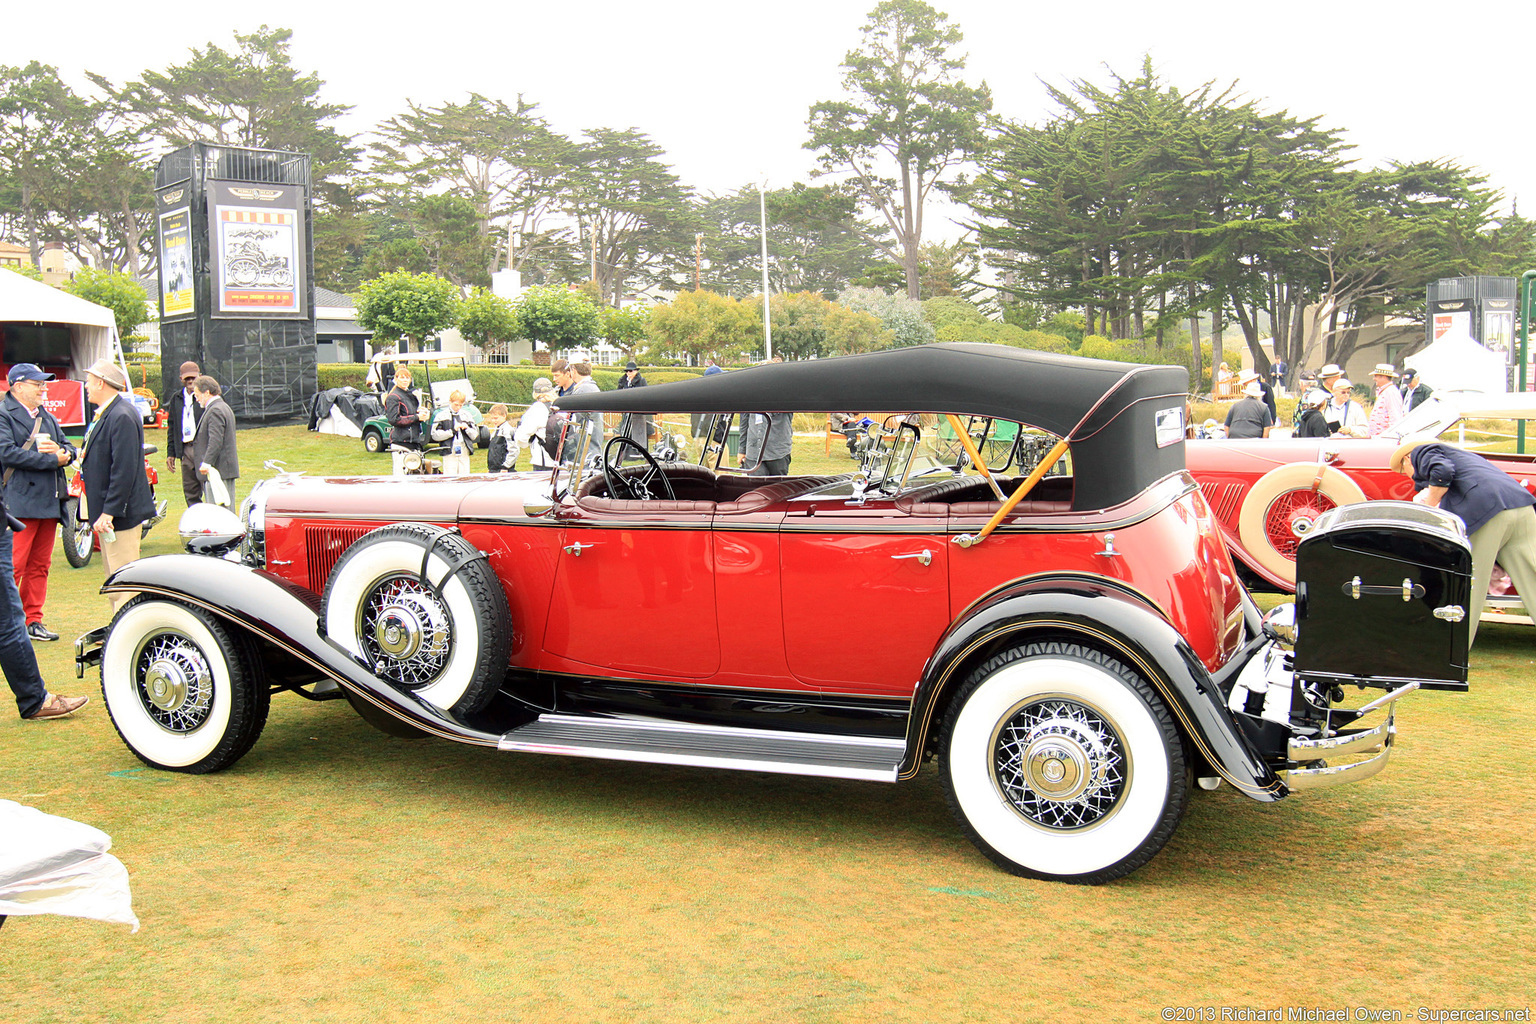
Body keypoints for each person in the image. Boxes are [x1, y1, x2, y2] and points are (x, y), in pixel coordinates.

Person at [1393, 438, 1536, 645]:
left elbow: (1442, 472)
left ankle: (1451, 655)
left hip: (1488, 511)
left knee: (1467, 584)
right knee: (1532, 579)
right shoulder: (1464, 457)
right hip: (1521, 506)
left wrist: (1430, 509)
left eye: (1401, 470)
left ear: (1407, 459)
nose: (1408, 477)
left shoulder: (1422, 452)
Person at [0, 364, 77, 641]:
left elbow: (69, 446)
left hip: (49, 500)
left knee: (40, 566)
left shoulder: (46, 415)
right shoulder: (3, 414)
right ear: (18, 386)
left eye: (44, 384)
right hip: (20, 502)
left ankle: (33, 619)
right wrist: (50, 460)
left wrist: (63, 453)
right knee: (14, 566)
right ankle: (8, 622)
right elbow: (7, 454)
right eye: (38, 384)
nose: (44, 388)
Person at [81, 359, 157, 613]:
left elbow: (123, 469)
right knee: (116, 583)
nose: (86, 387)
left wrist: (109, 511)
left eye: (89, 382)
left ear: (101, 383)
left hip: (119, 516)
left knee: (125, 586)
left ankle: (128, 638)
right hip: (112, 514)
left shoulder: (121, 415)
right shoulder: (112, 412)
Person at [190, 376, 239, 507]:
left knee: (219, 513)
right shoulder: (222, 407)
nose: (197, 398)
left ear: (207, 392)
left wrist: (206, 463)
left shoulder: (216, 410)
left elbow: (216, 440)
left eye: (197, 395)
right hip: (221, 469)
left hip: (218, 471)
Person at [163, 361, 203, 507]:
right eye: (187, 378)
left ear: (200, 376)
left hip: (203, 448)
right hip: (186, 449)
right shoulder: (176, 398)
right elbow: (172, 426)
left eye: (193, 377)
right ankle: (195, 523)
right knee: (190, 491)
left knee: (210, 487)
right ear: (181, 379)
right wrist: (171, 453)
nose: (190, 381)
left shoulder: (206, 396)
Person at [513, 379, 561, 470]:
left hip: (544, 461)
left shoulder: (537, 408)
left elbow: (521, 436)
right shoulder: (559, 405)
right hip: (562, 459)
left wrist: (525, 444)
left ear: (535, 393)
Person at [384, 367, 423, 476]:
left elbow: (413, 413)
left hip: (414, 441)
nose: (405, 380)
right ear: (396, 379)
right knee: (400, 474)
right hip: (400, 442)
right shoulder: (393, 397)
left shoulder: (410, 395)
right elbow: (393, 419)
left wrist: (423, 413)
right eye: (402, 378)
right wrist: (416, 417)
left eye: (407, 378)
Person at [430, 390, 478, 475]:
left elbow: (474, 435)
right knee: (450, 474)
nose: (458, 407)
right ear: (450, 402)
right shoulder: (441, 416)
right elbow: (434, 435)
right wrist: (452, 431)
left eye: (461, 405)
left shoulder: (467, 415)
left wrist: (467, 428)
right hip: (449, 449)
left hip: (464, 447)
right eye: (456, 405)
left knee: (464, 474)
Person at [617, 359, 650, 445]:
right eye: (627, 371)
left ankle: (639, 450)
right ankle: (626, 450)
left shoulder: (642, 381)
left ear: (636, 371)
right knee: (625, 429)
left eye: (630, 371)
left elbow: (645, 395)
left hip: (638, 411)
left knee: (638, 431)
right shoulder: (623, 381)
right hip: (626, 409)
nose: (628, 373)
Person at [1366, 364, 1404, 437]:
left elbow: (1395, 416)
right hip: (1379, 438)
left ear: (1383, 377)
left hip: (1384, 439)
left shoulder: (1391, 392)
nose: (1374, 379)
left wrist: (1392, 436)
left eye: (1376, 376)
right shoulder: (1385, 391)